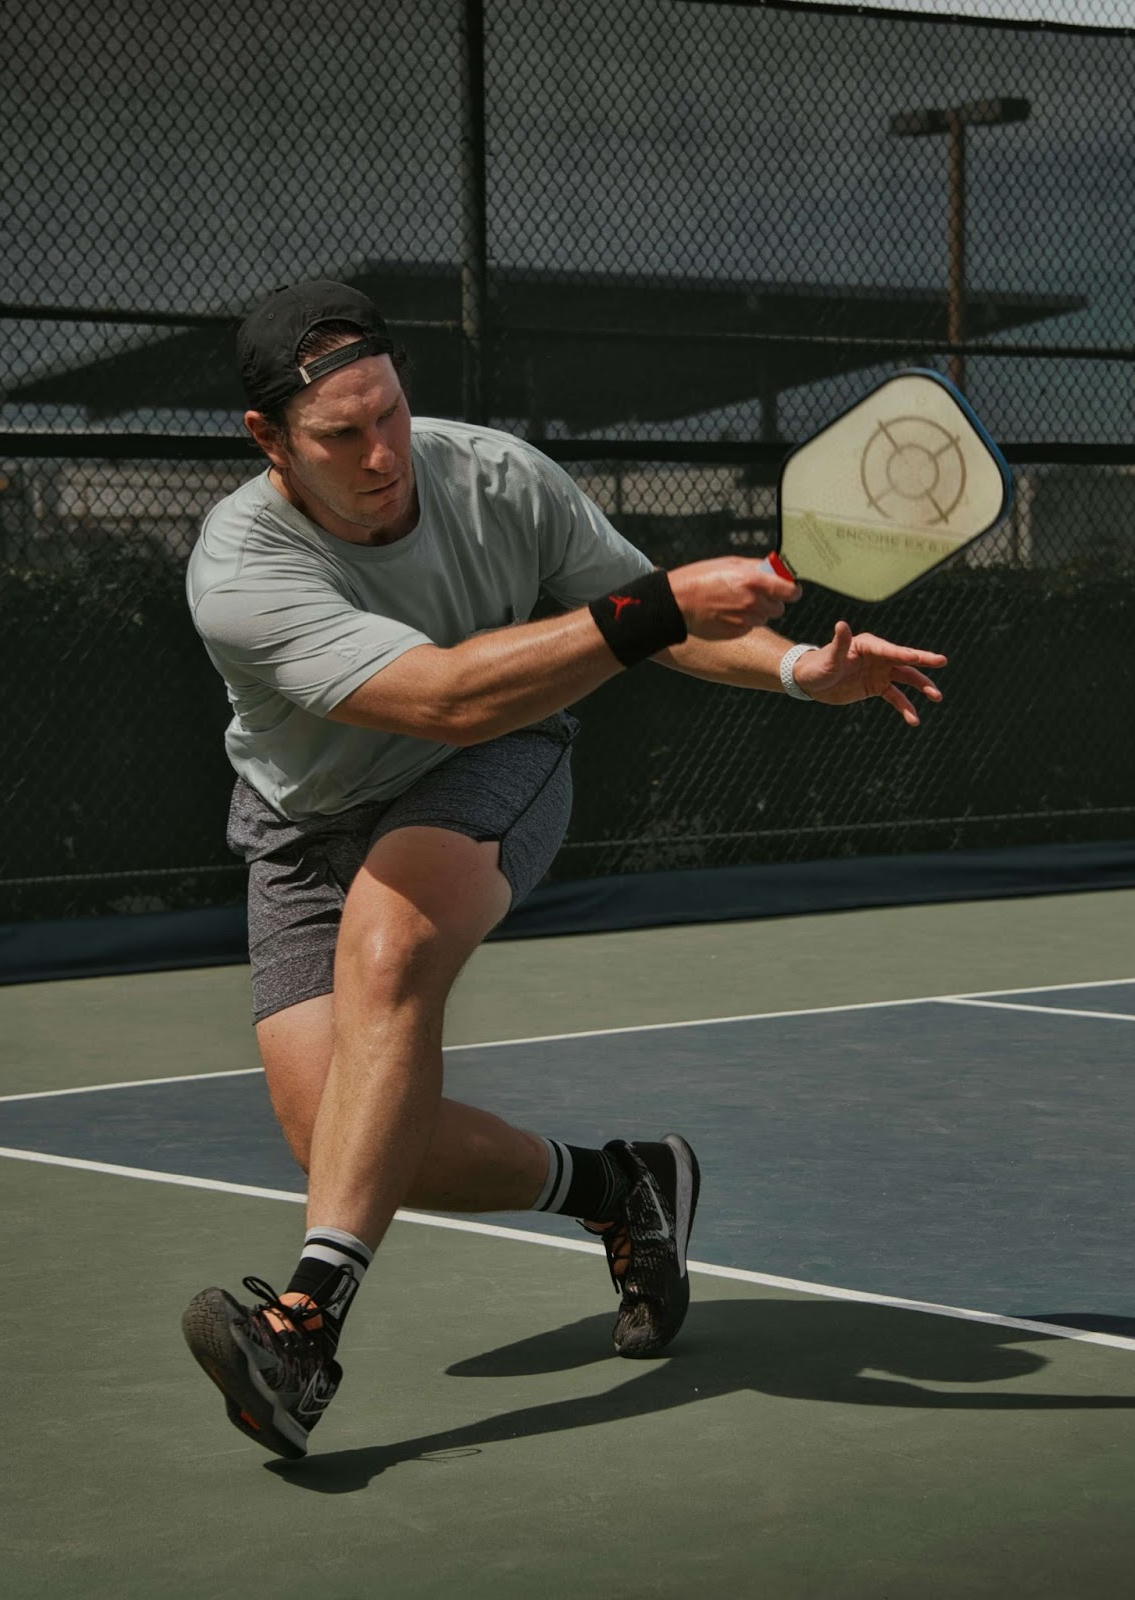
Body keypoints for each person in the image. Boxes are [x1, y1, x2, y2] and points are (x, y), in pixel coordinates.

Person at [180, 279, 947, 1460]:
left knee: (389, 947)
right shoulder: (238, 569)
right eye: (341, 433)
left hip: (495, 761)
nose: (382, 452)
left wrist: (802, 670)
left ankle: (303, 1330)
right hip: (305, 820)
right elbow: (441, 691)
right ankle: (620, 1186)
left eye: (388, 410)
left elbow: (657, 623)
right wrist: (656, 605)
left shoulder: (496, 478)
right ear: (268, 440)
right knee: (333, 1131)